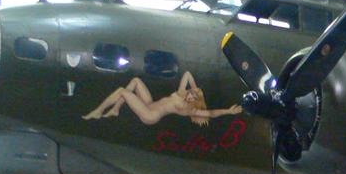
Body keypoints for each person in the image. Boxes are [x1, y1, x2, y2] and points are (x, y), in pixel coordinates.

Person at [83, 71, 240, 126]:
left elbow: (211, 114)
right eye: (191, 94)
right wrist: (195, 88)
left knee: (122, 91)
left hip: (150, 115)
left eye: (193, 97)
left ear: (195, 102)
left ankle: (99, 111)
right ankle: (116, 109)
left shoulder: (188, 110)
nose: (190, 95)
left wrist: (229, 111)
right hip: (150, 105)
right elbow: (187, 74)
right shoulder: (181, 93)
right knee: (136, 81)